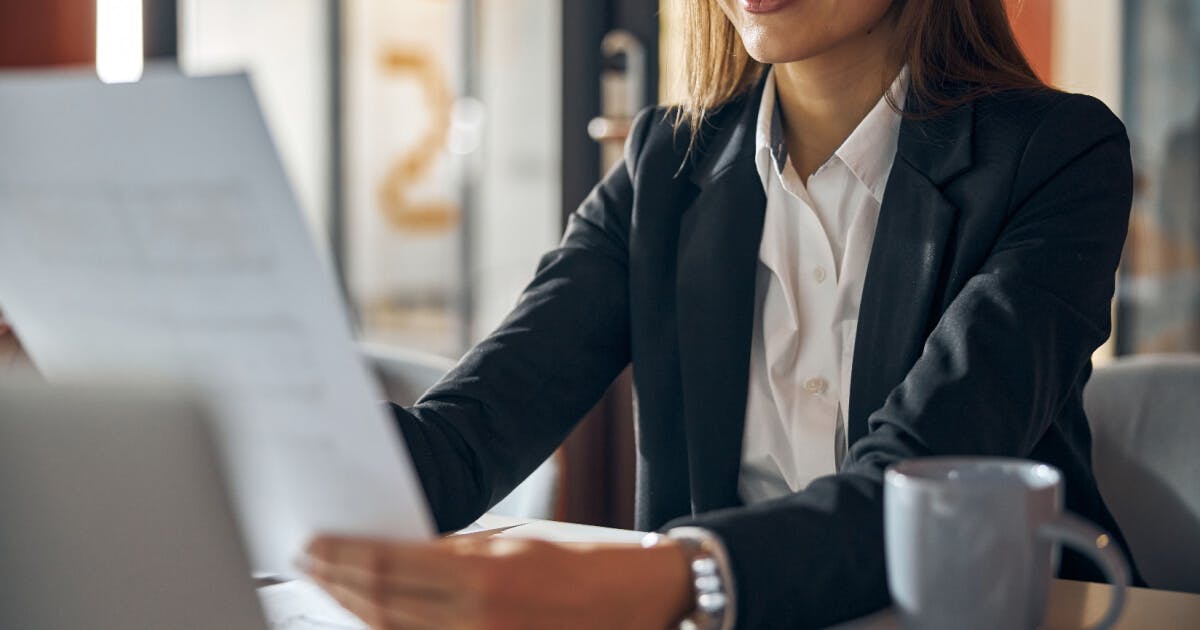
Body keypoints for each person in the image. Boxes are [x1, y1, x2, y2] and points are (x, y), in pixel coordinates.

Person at [294, 0, 1131, 627]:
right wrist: (256, 426)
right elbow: (464, 439)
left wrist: (670, 577)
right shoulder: (665, 163)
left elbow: (922, 488)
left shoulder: (1058, 156)